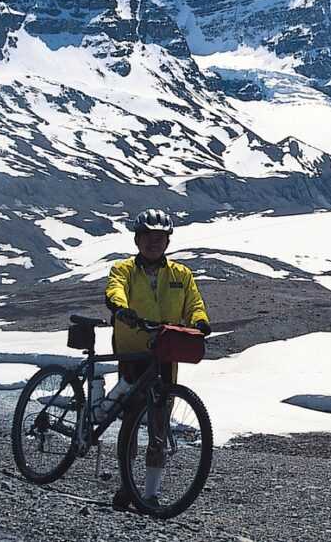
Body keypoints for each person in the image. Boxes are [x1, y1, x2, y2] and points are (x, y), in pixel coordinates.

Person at [104, 208, 211, 511]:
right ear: (137, 239)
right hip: (133, 352)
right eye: (148, 236)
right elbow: (115, 291)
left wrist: (200, 321)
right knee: (130, 420)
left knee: (159, 426)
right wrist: (121, 308)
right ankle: (127, 486)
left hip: (165, 353)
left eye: (160, 237)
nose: (154, 242)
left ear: (167, 241)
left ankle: (150, 494)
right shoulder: (123, 269)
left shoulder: (180, 274)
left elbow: (194, 303)